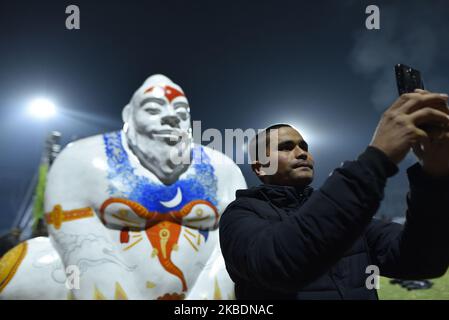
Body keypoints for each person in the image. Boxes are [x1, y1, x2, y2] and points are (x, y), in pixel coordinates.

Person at [0, 74, 247, 300]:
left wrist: (208, 295)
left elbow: (238, 241)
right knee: (29, 264)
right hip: (94, 287)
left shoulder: (224, 169)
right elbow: (74, 235)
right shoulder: (82, 160)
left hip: (198, 291)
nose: (172, 116)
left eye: (182, 112)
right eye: (152, 109)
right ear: (128, 115)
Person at [219, 89, 449, 299]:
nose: (302, 154)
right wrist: (377, 158)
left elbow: (422, 261)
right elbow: (281, 266)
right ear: (260, 167)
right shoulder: (240, 215)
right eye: (286, 147)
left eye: (305, 147)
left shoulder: (345, 215)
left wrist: (434, 177)